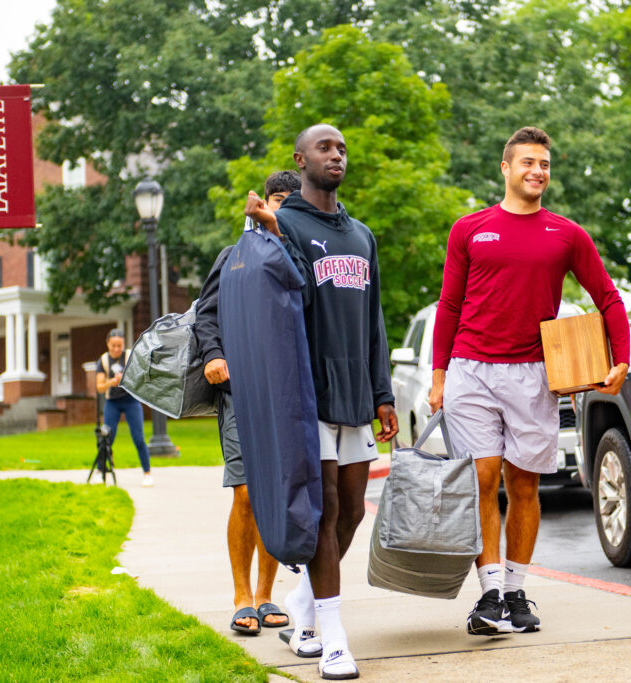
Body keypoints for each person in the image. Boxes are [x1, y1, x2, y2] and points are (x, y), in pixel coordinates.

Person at [429, 126, 631, 636]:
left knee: (524, 484)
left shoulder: (566, 234)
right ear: (505, 168)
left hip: (534, 375)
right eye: (527, 163)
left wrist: (620, 359)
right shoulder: (469, 229)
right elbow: (450, 305)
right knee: (482, 479)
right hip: (470, 370)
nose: (537, 171)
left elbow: (608, 297)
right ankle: (489, 594)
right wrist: (438, 375)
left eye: (544, 164)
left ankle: (517, 592)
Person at [244, 124, 398, 681]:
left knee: (355, 510)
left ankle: (304, 602)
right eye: (324, 147)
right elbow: (275, 297)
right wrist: (268, 229)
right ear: (300, 158)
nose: (336, 155)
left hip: (355, 393)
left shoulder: (361, 234)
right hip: (306, 394)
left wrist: (383, 393)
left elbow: (373, 319)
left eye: (341, 148)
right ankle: (330, 638)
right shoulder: (283, 223)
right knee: (326, 510)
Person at [195, 171, 301, 636]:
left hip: (287, 394)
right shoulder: (233, 257)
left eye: (288, 204)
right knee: (246, 492)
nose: (277, 211)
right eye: (275, 201)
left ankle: (265, 594)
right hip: (240, 392)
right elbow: (206, 314)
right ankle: (241, 597)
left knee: (274, 495)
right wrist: (213, 355)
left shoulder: (301, 257)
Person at [95, 328, 154, 487]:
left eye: (119, 346)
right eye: (113, 345)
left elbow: (141, 377)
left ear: (123, 345)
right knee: (107, 438)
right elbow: (100, 387)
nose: (116, 349)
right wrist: (111, 382)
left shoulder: (129, 356)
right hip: (112, 402)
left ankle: (147, 474)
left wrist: (126, 379)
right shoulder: (103, 361)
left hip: (131, 401)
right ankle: (100, 471)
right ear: (108, 344)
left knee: (138, 437)